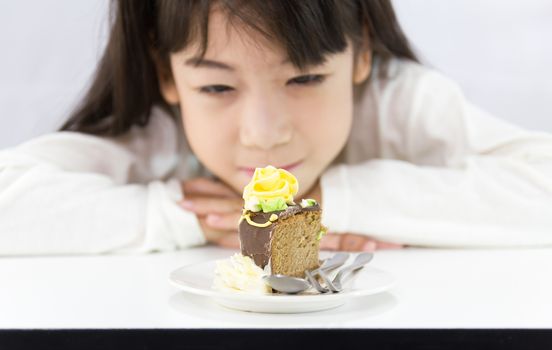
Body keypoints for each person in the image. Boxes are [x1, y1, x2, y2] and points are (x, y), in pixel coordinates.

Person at [0, 0, 551, 256]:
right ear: (166, 72)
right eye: (217, 88)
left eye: (305, 78)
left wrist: (326, 203)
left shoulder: (399, 104)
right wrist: (189, 218)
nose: (263, 136)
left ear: (360, 53)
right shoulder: (164, 132)